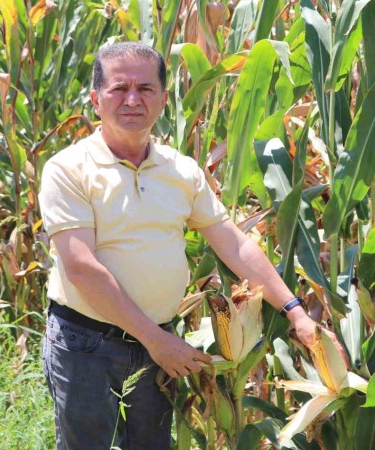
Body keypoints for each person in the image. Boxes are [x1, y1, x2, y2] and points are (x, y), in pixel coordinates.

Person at [39, 42, 346, 450]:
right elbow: (81, 268)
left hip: (159, 345)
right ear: (96, 99)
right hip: (88, 343)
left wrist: (296, 313)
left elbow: (234, 245)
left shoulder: (181, 171)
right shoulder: (68, 169)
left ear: (163, 99)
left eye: (145, 89)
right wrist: (156, 340)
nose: (132, 99)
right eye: (119, 88)